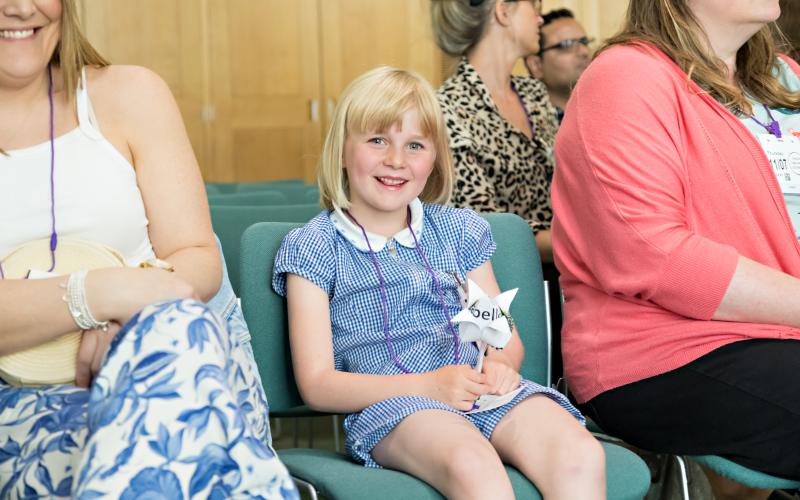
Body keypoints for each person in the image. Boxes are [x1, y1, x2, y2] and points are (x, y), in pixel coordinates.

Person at [0, 0, 297, 497]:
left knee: (176, 328)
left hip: (176, 359)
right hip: (23, 403)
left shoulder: (132, 94)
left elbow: (196, 256)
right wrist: (101, 296)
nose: (19, 7)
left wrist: (132, 320)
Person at [272, 65, 605, 499]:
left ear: (434, 158)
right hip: (394, 406)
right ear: (341, 150)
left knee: (580, 454)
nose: (396, 160)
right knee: (473, 465)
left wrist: (500, 368)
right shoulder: (314, 247)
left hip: (478, 391)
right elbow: (317, 384)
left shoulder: (458, 232)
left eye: (415, 145)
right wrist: (428, 387)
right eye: (377, 140)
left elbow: (502, 340)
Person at [551, 0, 800, 498]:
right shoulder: (625, 77)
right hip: (662, 354)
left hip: (781, 333)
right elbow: (656, 255)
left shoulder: (784, 77)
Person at [432, 0, 557, 263]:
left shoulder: (535, 94)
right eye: (534, 6)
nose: (540, 19)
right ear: (502, 11)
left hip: (566, 277)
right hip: (508, 284)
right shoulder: (448, 109)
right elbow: (487, 230)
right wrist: (582, 243)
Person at [524, 8, 592, 124]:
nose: (584, 52)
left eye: (584, 42)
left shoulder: (604, 111)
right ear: (536, 65)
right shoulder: (526, 123)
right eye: (567, 44)